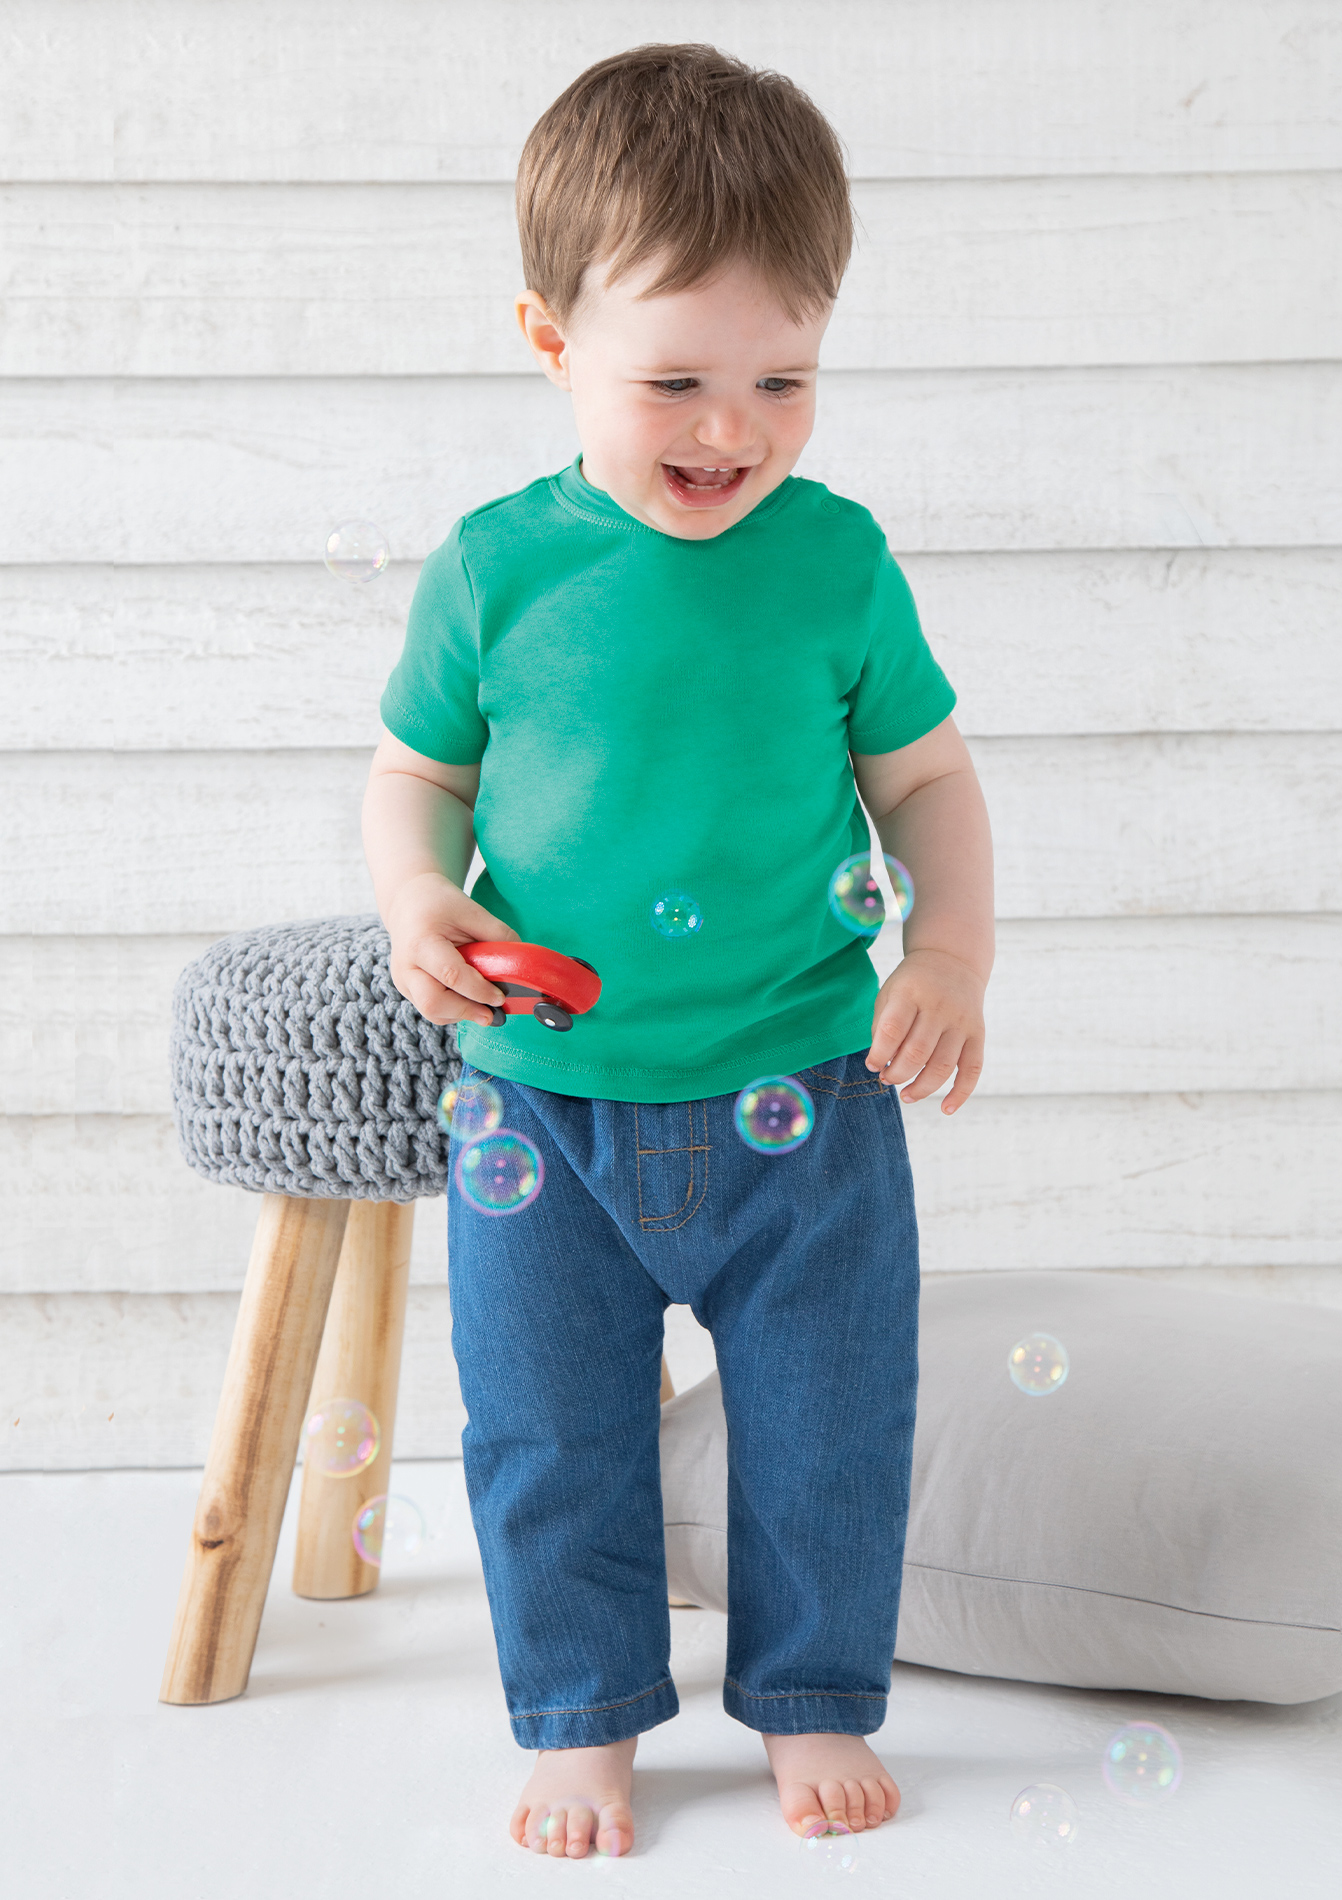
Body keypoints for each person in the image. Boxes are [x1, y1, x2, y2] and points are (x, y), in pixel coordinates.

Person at [362, 42, 994, 1862]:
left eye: (783, 379)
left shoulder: (837, 563)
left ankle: (811, 1695)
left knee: (829, 1420)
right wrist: (416, 901)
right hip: (541, 1101)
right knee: (547, 1431)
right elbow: (416, 778)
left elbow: (928, 780)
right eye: (676, 382)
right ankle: (583, 1717)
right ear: (551, 341)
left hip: (806, 1089)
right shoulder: (496, 569)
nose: (733, 430)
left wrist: (949, 951)